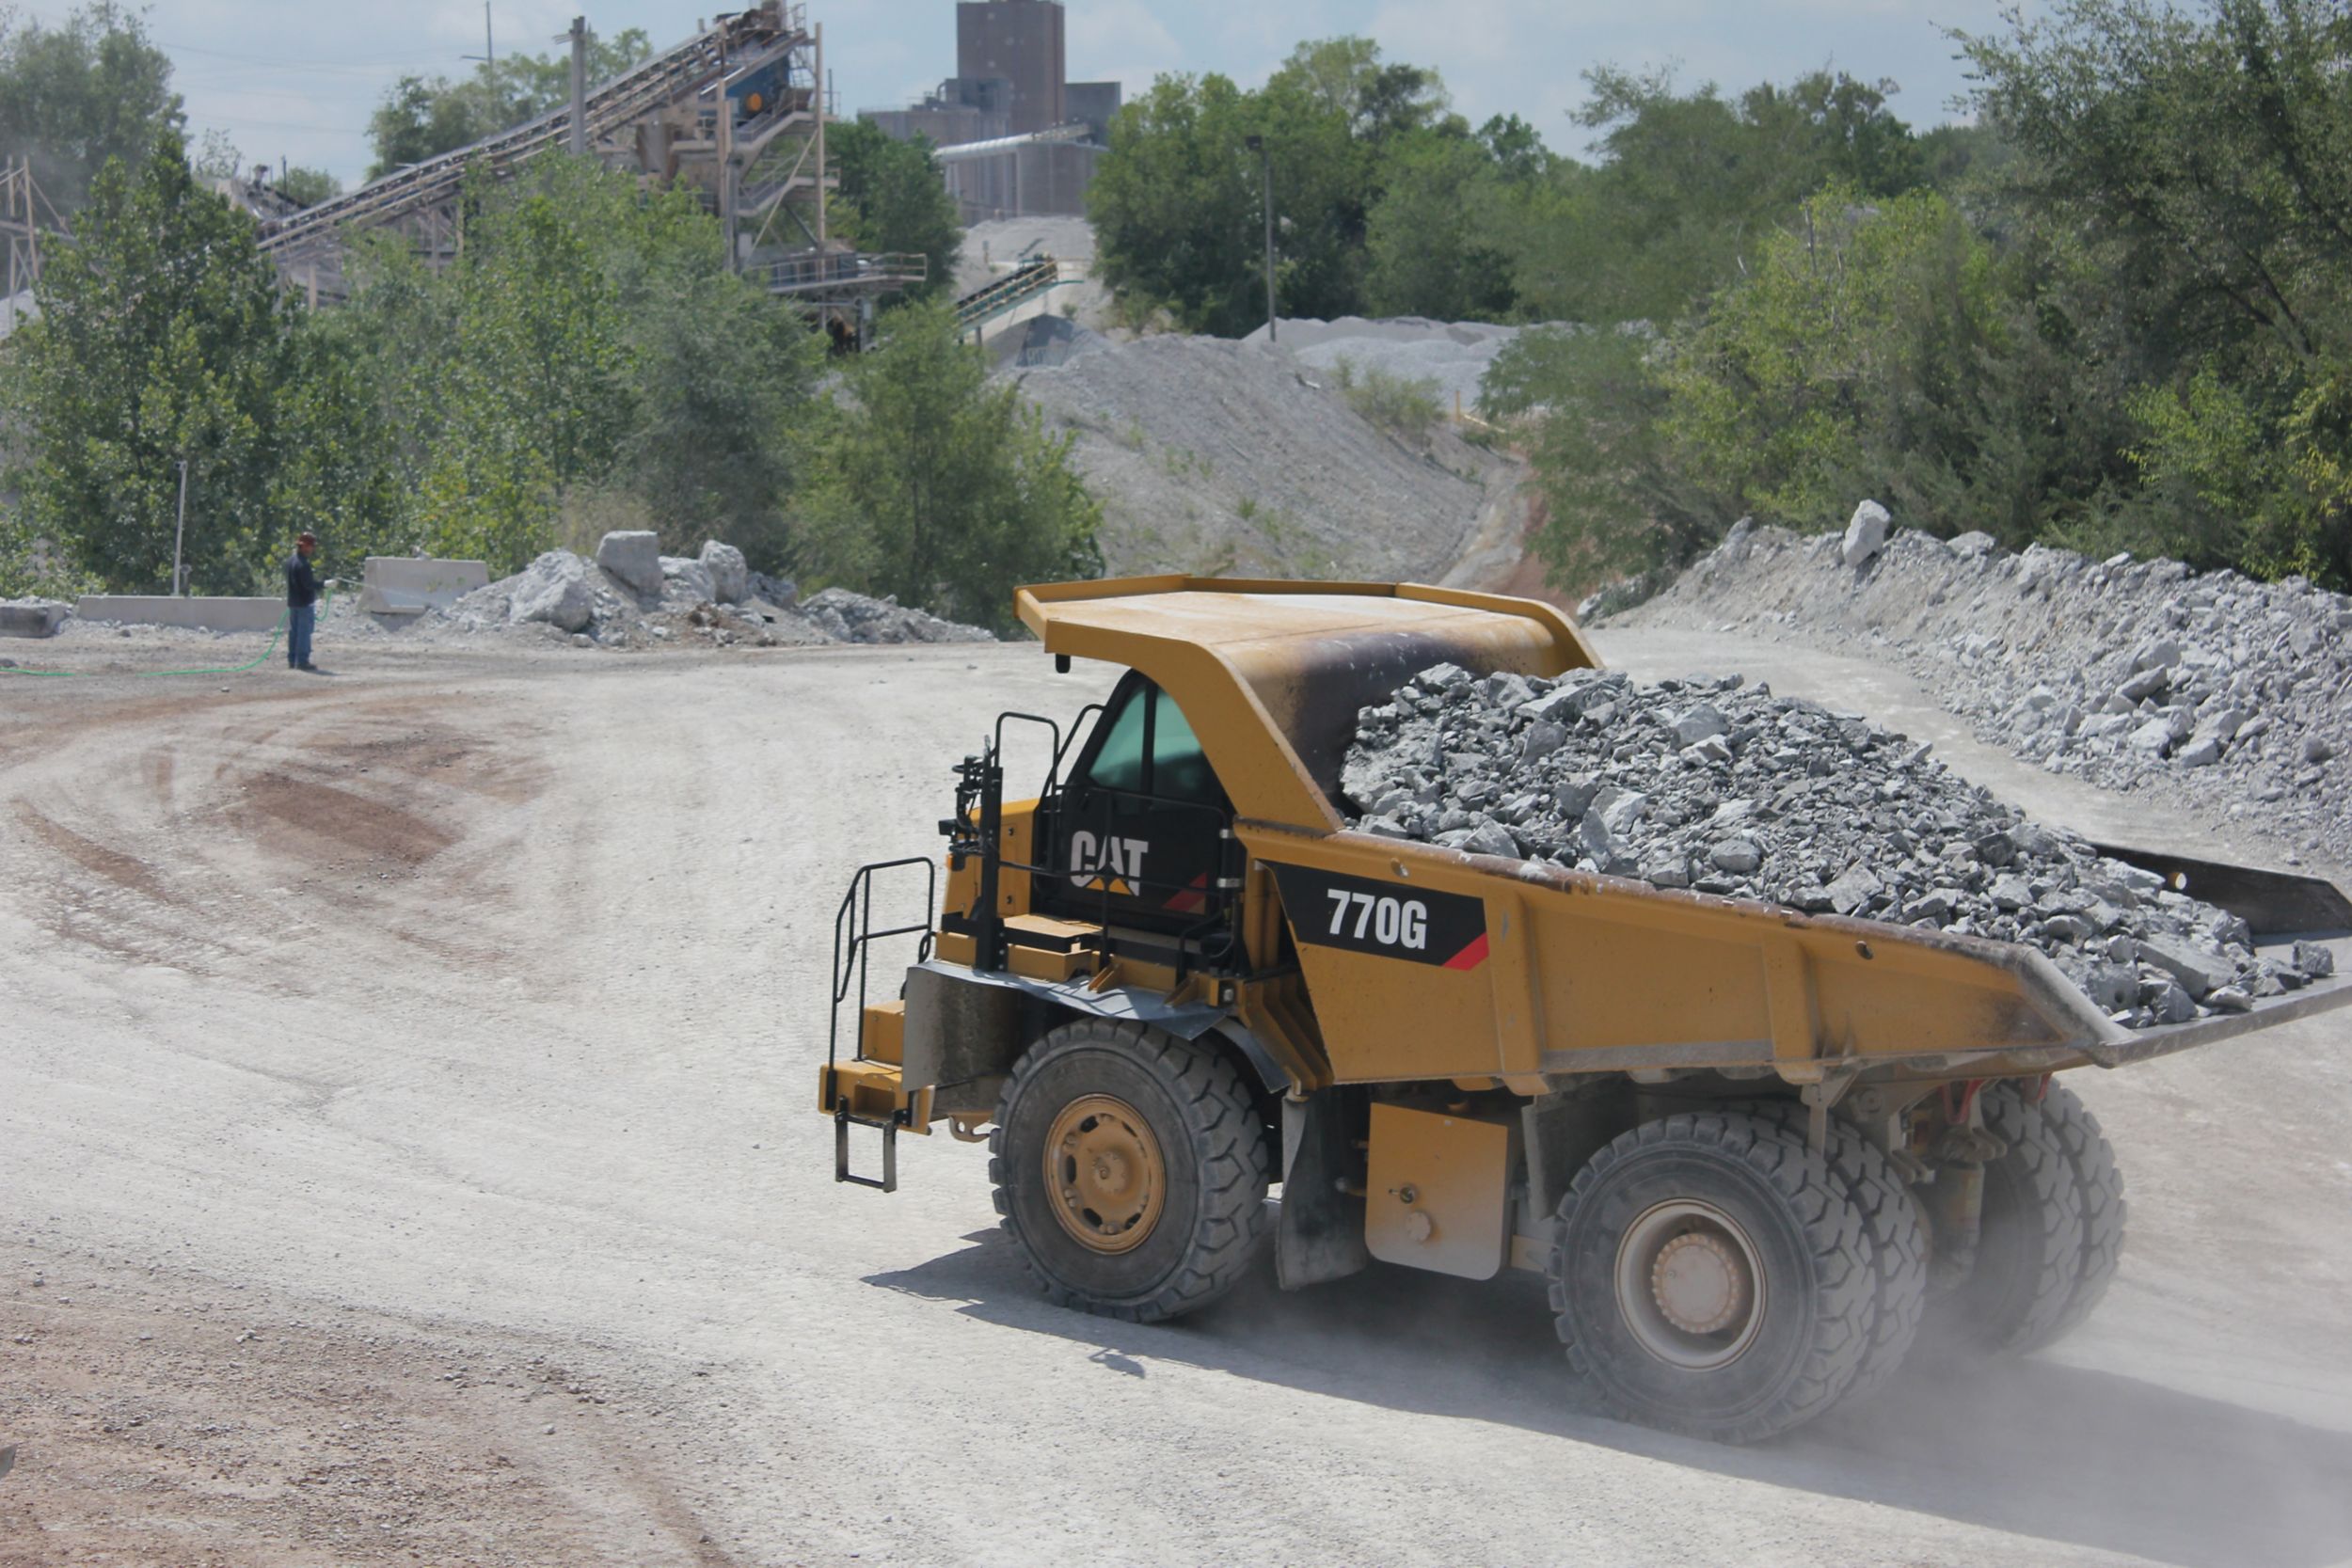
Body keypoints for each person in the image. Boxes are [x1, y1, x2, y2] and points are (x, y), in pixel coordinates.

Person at [283, 531, 322, 672]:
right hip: (304, 603)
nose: (313, 549)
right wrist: (325, 584)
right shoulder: (303, 564)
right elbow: (308, 585)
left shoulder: (290, 561)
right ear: (304, 547)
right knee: (304, 633)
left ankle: (292, 660)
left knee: (294, 632)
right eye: (311, 546)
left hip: (293, 602)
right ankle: (303, 662)